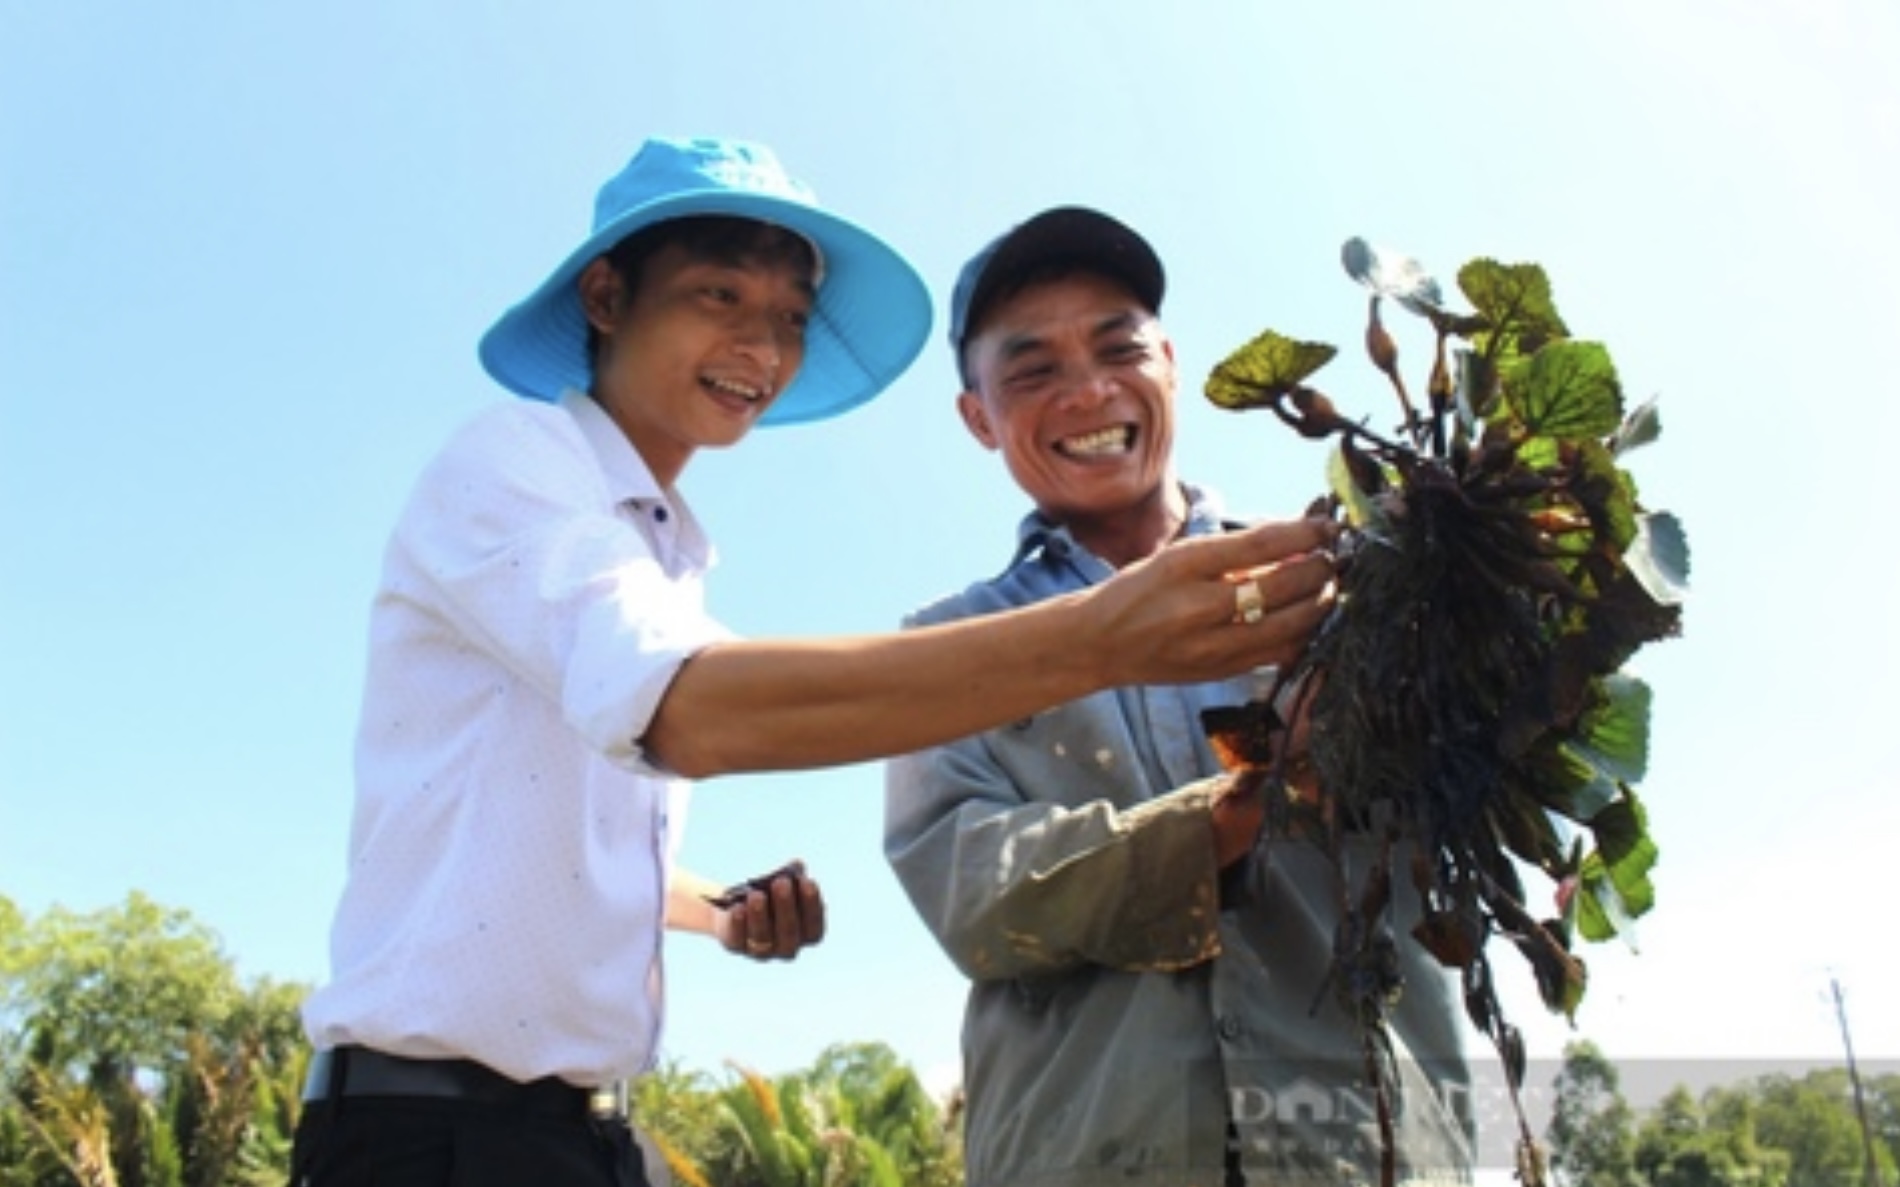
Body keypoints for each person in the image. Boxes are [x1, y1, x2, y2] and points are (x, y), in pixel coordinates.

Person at [288, 138, 1338, 1187]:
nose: (763, 343)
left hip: (579, 1133)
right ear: (606, 295)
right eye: (719, 293)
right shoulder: (513, 461)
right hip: (427, 1130)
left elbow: (543, 831)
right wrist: (1104, 636)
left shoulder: (660, 555)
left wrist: (714, 908)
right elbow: (692, 708)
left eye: (791, 316)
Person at [883, 207, 1477, 1186]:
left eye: (1118, 347)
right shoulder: (946, 646)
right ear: (978, 415)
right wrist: (1261, 790)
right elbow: (978, 895)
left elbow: (1473, 790)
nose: (1086, 388)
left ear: (1169, 361)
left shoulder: (1341, 572)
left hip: (1377, 1147)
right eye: (1031, 370)